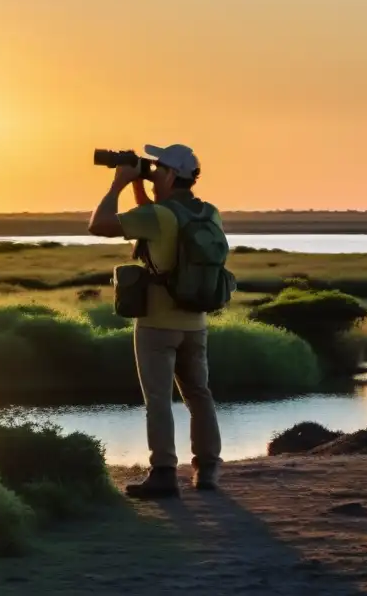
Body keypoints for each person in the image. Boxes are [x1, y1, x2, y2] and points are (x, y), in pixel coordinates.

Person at [87, 144, 223, 498]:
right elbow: (159, 222)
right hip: (196, 321)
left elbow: (98, 225)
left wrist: (118, 184)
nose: (153, 171)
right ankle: (207, 469)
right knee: (199, 394)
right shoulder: (209, 212)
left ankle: (164, 473)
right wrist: (141, 185)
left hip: (157, 323)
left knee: (159, 399)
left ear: (168, 174)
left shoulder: (160, 216)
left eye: (157, 168)